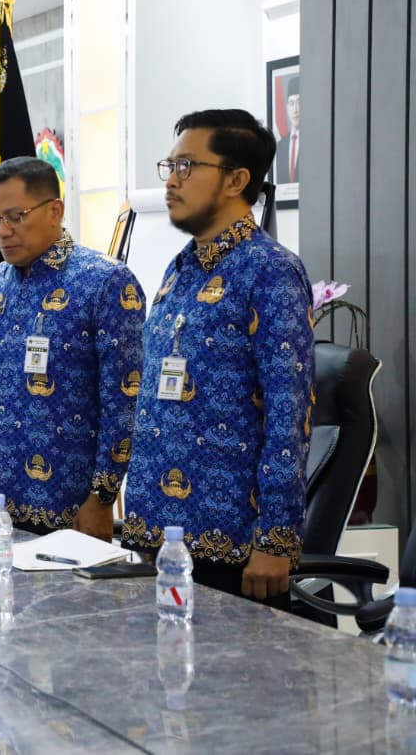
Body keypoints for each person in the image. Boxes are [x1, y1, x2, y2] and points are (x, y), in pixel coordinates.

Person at [122, 108, 314, 608]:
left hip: (231, 546)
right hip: (159, 536)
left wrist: (275, 541)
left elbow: (288, 415)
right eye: (170, 166)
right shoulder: (179, 268)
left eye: (186, 166)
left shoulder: (270, 271)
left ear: (236, 180)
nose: (171, 181)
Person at [0, 157, 145, 541]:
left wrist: (102, 497)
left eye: (16, 217)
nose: (3, 231)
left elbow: (125, 402)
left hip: (70, 510)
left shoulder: (104, 282)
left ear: (55, 211)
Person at [274, 75, 300, 184]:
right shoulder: (280, 146)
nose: (295, 110)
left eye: (299, 102)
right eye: (291, 103)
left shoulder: (315, 142)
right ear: (287, 107)